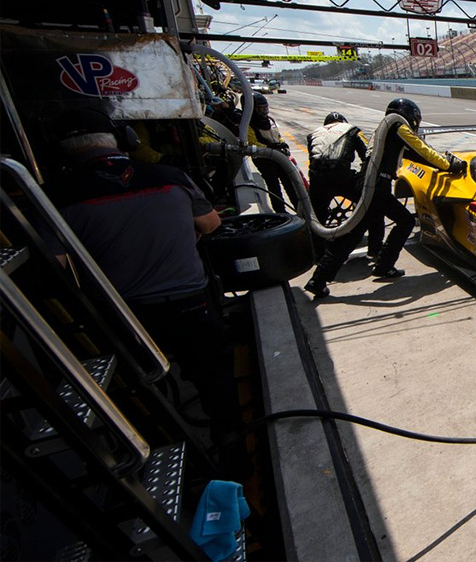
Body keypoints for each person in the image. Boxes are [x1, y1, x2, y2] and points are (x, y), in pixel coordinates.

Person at [45, 106, 246, 475]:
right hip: (193, 304)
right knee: (215, 379)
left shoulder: (55, 196)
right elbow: (211, 223)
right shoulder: (169, 175)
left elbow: (56, 268)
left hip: (126, 315)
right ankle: (233, 450)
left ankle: (162, 457)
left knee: (139, 387)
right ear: (123, 140)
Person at [304, 98, 466, 295]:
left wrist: (442, 162)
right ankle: (320, 279)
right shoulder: (397, 126)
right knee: (361, 232)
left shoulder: (388, 131)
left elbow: (416, 155)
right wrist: (451, 165)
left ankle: (381, 265)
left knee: (390, 223)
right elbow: (422, 150)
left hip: (372, 184)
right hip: (375, 185)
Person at [306, 111, 383, 259]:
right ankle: (375, 249)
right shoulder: (352, 129)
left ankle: (318, 253)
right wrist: (364, 180)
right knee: (375, 205)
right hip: (340, 174)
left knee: (316, 217)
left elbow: (314, 156)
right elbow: (368, 155)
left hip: (317, 178)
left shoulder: (313, 134)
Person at [248, 92, 297, 213]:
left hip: (278, 157)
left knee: (289, 184)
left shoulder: (270, 120)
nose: (264, 111)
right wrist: (269, 148)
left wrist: (282, 143)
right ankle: (280, 212)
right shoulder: (249, 125)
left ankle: (299, 207)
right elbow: (252, 143)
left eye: (266, 107)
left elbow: (277, 135)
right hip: (264, 160)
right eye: (261, 108)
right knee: (274, 187)